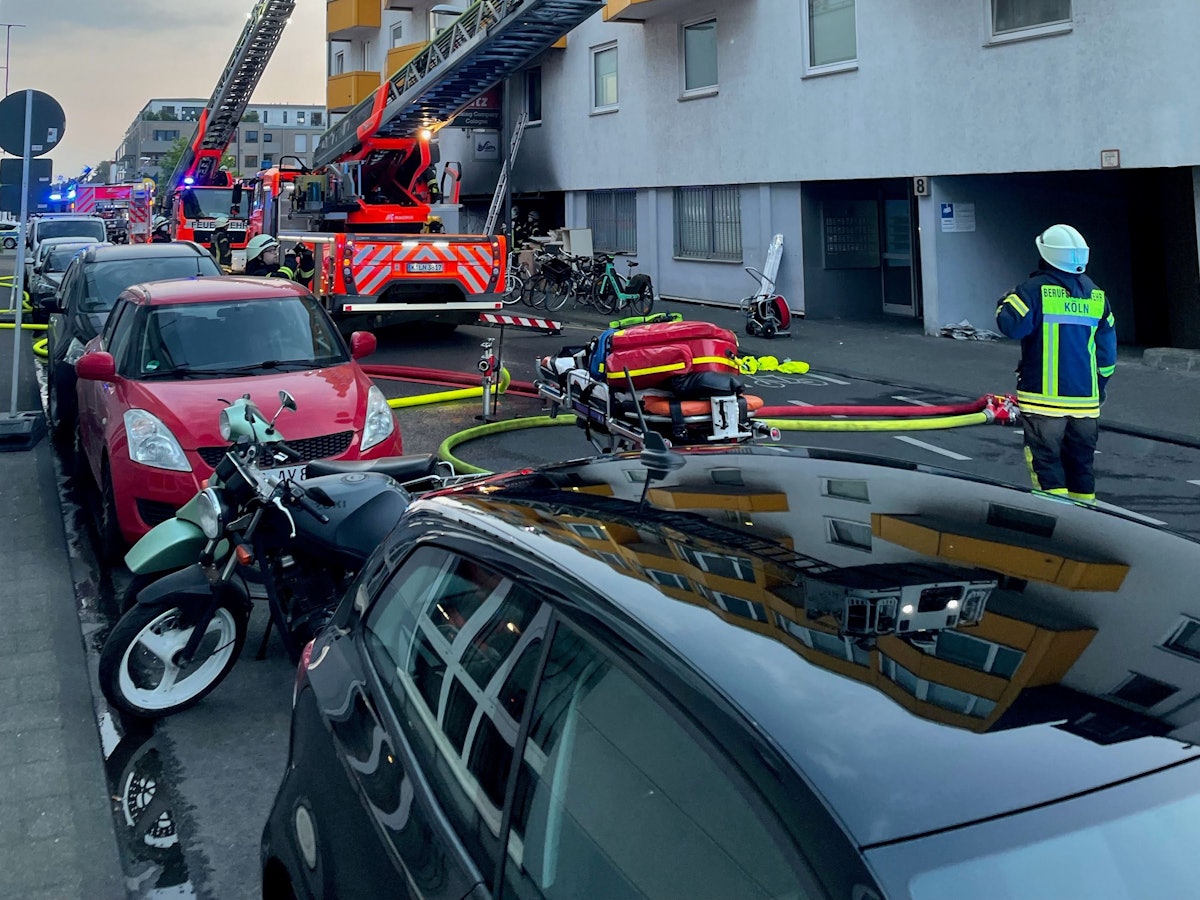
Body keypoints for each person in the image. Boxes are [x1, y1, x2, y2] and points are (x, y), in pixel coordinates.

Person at [996, 224, 1116, 504]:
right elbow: (1107, 353)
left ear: (1046, 254)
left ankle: (1056, 522)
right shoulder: (1097, 295)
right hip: (1086, 401)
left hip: (1043, 401)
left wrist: (1004, 300)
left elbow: (1010, 325)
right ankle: (1084, 519)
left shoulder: (1033, 290)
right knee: (1081, 467)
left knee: (1046, 465)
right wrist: (1100, 386)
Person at [244, 234, 314, 287]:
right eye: (271, 250)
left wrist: (306, 261)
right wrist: (290, 257)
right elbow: (282, 279)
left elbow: (303, 280)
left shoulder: (274, 269)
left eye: (275, 249)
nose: (275, 253)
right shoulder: (257, 275)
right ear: (259, 256)